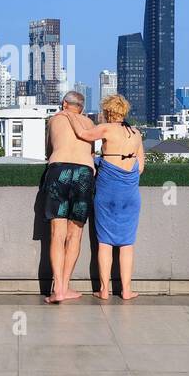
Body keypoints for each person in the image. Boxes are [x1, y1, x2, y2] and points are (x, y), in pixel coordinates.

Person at [62, 94, 143, 300]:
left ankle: (104, 290)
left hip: (107, 191)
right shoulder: (136, 133)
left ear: (108, 112)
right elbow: (140, 167)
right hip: (130, 194)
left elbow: (82, 134)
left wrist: (67, 114)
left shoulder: (106, 129)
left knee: (105, 242)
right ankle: (126, 290)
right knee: (127, 243)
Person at [41, 90, 96, 303]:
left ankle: (59, 291)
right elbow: (91, 153)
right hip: (84, 172)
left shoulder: (54, 120)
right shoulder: (89, 123)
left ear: (64, 104)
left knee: (57, 233)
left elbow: (49, 150)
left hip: (58, 170)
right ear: (81, 108)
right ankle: (65, 285)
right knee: (75, 234)